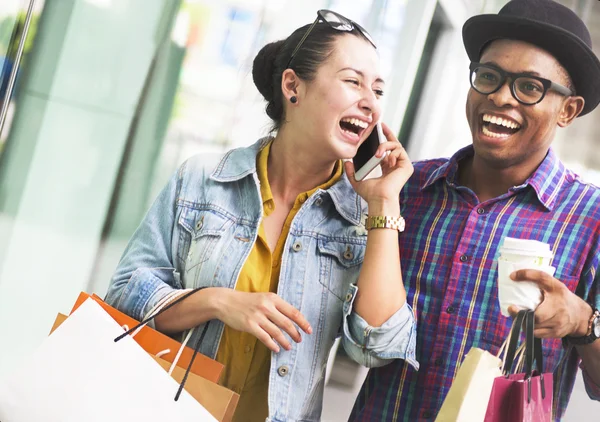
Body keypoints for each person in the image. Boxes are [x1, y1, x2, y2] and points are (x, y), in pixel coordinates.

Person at [105, 10, 418, 422]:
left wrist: (383, 204)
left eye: (377, 90)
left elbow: (376, 347)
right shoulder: (203, 179)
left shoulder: (361, 219)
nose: (370, 103)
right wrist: (217, 302)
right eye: (352, 81)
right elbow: (125, 293)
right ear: (293, 86)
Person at [350, 0, 600, 420]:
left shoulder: (591, 219)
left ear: (567, 111)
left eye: (529, 87)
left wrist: (583, 323)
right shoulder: (405, 190)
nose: (501, 97)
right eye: (488, 77)